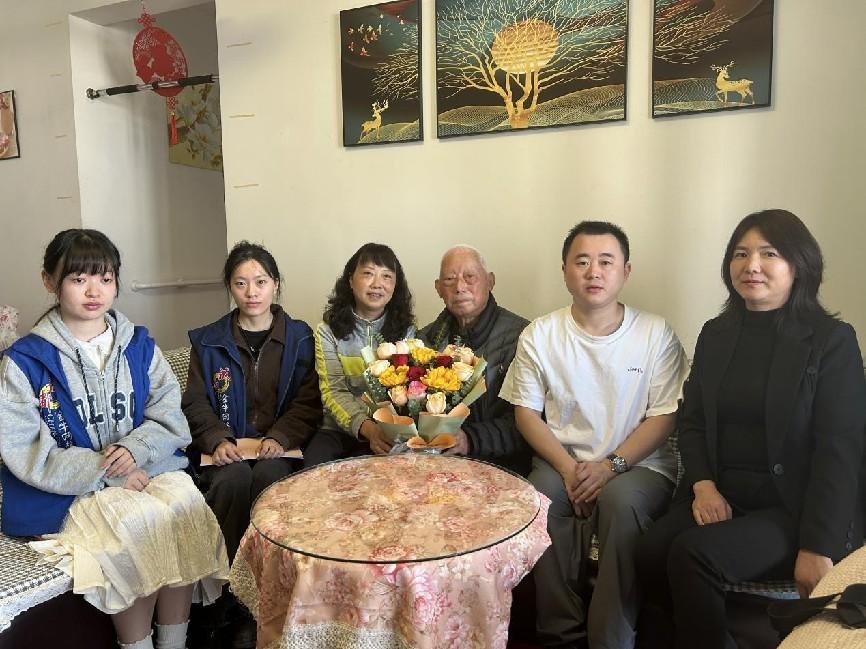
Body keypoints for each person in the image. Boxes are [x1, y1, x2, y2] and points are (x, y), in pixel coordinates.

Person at [635, 209, 866, 649]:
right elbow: (693, 421)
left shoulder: (831, 340)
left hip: (794, 508)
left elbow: (840, 451)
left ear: (799, 265)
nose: (751, 265)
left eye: (769, 253)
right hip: (724, 494)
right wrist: (703, 485)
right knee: (648, 551)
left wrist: (817, 547)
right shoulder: (716, 334)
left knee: (693, 555)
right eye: (740, 254)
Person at [0, 229, 228, 649]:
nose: (94, 291)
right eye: (79, 279)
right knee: (135, 525)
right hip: (71, 488)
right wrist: (106, 470)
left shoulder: (138, 346)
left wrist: (135, 451)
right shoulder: (26, 361)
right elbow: (24, 449)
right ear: (49, 281)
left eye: (105, 279)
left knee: (185, 507)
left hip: (149, 466)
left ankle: (174, 643)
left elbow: (168, 415)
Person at [500, 221, 689, 649]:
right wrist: (570, 470)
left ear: (625, 271)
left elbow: (664, 415)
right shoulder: (541, 334)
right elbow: (525, 413)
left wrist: (609, 467)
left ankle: (611, 637)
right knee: (540, 501)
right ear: (565, 271)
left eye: (606, 262)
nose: (594, 272)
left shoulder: (655, 333)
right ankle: (559, 634)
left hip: (639, 465)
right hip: (560, 461)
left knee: (620, 503)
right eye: (582, 262)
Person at [182, 241, 321, 647]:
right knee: (232, 481)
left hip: (279, 450)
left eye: (260, 282)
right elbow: (195, 402)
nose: (251, 292)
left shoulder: (299, 337)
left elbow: (308, 401)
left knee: (270, 481)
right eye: (241, 283)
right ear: (230, 287)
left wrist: (280, 436)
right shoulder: (209, 341)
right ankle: (227, 596)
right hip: (226, 452)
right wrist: (217, 438)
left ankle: (269, 594)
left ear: (275, 284)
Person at [418, 244, 530, 474]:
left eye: (470, 277)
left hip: (502, 464)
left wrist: (470, 439)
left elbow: (532, 421)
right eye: (450, 279)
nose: (460, 287)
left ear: (490, 281)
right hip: (436, 462)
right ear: (438, 288)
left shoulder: (523, 337)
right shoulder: (424, 342)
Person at [303, 243, 415, 465]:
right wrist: (368, 428)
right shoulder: (327, 331)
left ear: (395, 287)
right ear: (350, 280)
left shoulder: (406, 331)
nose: (377, 284)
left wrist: (385, 430)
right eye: (368, 274)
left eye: (386, 276)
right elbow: (333, 391)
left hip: (389, 430)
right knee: (313, 467)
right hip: (337, 429)